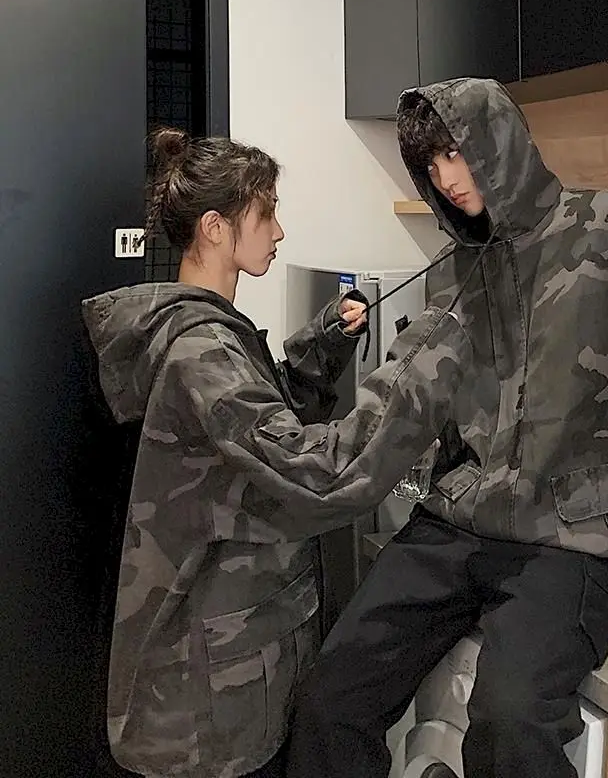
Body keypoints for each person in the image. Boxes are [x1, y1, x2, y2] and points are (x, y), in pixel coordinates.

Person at [285, 78, 608, 778]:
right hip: (458, 520)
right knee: (328, 699)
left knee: (511, 721)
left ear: (497, 143)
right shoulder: (457, 272)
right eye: (430, 164)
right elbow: (415, 402)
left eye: (454, 153)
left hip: (575, 534)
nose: (446, 177)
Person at [81, 127, 472, 778]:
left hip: (228, 668)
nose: (279, 231)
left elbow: (260, 432)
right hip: (211, 709)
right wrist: (422, 359)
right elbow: (314, 474)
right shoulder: (201, 354)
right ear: (215, 228)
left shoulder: (210, 336)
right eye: (266, 214)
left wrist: (324, 345)